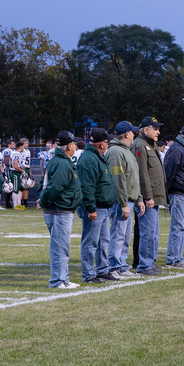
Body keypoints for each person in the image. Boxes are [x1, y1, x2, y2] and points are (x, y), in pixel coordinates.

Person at [39, 130, 81, 288]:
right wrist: (44, 200)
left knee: (62, 247)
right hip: (59, 210)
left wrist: (42, 198)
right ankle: (58, 281)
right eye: (74, 143)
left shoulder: (59, 160)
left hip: (58, 209)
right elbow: (54, 187)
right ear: (69, 145)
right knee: (60, 248)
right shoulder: (62, 162)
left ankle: (63, 279)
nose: (76, 146)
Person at [75, 128, 116, 284]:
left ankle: (101, 269)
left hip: (103, 206)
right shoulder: (89, 159)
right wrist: (91, 208)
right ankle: (89, 274)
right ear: (101, 144)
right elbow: (87, 187)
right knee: (91, 242)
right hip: (95, 207)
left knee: (103, 241)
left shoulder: (97, 156)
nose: (107, 145)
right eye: (106, 142)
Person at [105, 121, 144, 280]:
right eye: (132, 132)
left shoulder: (125, 151)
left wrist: (139, 199)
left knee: (125, 236)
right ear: (127, 134)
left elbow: (133, 178)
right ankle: (114, 266)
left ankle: (122, 265)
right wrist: (122, 203)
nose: (134, 135)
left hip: (129, 199)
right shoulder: (115, 151)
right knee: (118, 234)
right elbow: (118, 179)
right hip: (121, 201)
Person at [131, 116, 167, 276]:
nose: (158, 131)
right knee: (148, 232)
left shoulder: (149, 145)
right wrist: (147, 196)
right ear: (146, 130)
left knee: (153, 232)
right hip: (148, 198)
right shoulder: (140, 145)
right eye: (156, 128)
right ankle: (145, 265)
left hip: (155, 196)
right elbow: (142, 173)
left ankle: (149, 263)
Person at [163, 125, 184, 268]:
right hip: (178, 193)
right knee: (178, 227)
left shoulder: (181, 149)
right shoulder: (177, 149)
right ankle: (176, 259)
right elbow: (168, 173)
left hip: (181, 193)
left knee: (176, 227)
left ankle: (172, 258)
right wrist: (171, 190)